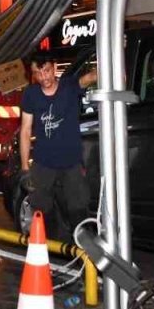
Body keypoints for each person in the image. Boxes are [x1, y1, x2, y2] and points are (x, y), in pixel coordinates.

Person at [18, 51, 97, 240]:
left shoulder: (69, 86)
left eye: (46, 71)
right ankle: (51, 249)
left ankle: (84, 254)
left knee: (78, 208)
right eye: (38, 73)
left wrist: (116, 50)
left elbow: (92, 76)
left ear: (54, 68)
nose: (43, 77)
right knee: (41, 208)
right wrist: (25, 168)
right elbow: (26, 130)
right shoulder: (31, 94)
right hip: (43, 162)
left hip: (71, 162)